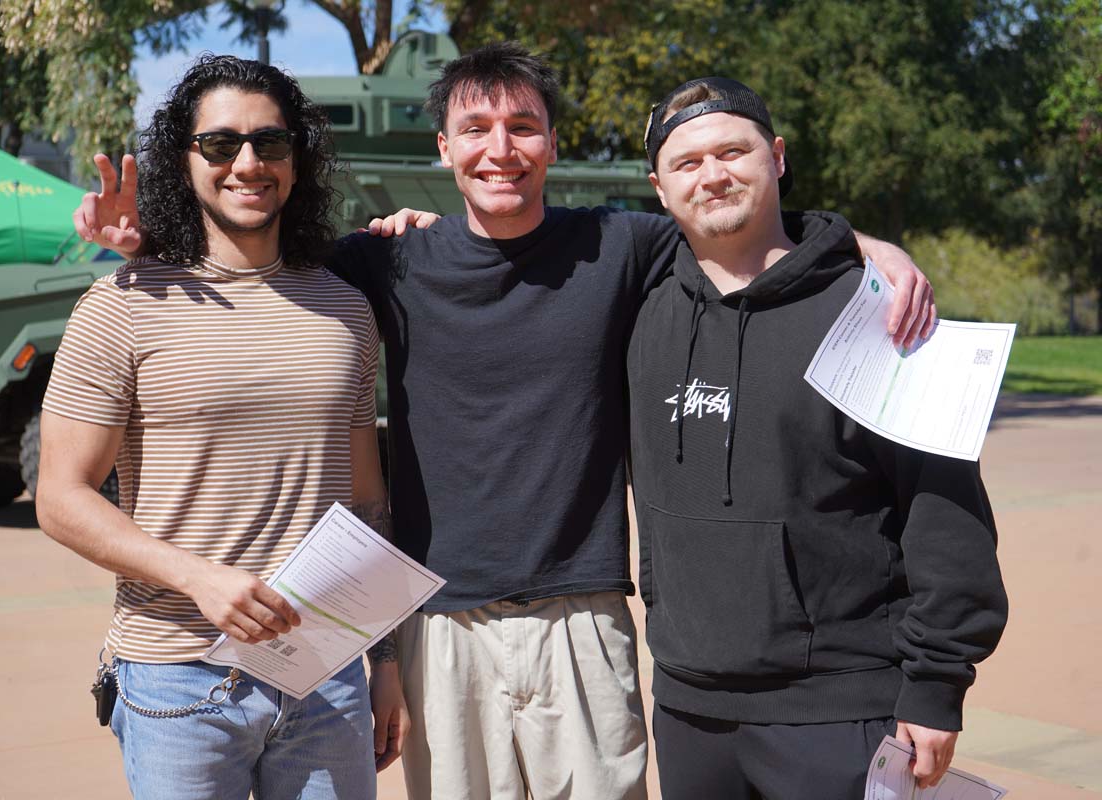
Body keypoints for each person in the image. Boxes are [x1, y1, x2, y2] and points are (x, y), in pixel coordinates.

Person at [73, 44, 935, 800]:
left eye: (523, 127)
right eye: (476, 130)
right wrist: (151, 246)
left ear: (552, 144)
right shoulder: (383, 262)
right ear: (444, 148)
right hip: (438, 624)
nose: (501, 150)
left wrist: (864, 248)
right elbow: (247, 265)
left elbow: (739, 222)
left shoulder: (623, 247)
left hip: (584, 617)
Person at [37, 54, 407, 799]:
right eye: (220, 145)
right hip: (177, 682)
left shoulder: (346, 311)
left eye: (270, 144)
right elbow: (60, 497)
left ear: (297, 163)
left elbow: (365, 505)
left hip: (324, 676)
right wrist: (196, 577)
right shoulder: (122, 305)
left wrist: (386, 659)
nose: (248, 162)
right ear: (186, 160)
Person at [627, 76, 1008, 800]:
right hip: (687, 708)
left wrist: (935, 687)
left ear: (775, 155)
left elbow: (946, 516)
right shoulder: (641, 312)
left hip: (842, 709)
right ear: (659, 185)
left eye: (732, 151)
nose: (713, 175)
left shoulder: (882, 316)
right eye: (687, 163)